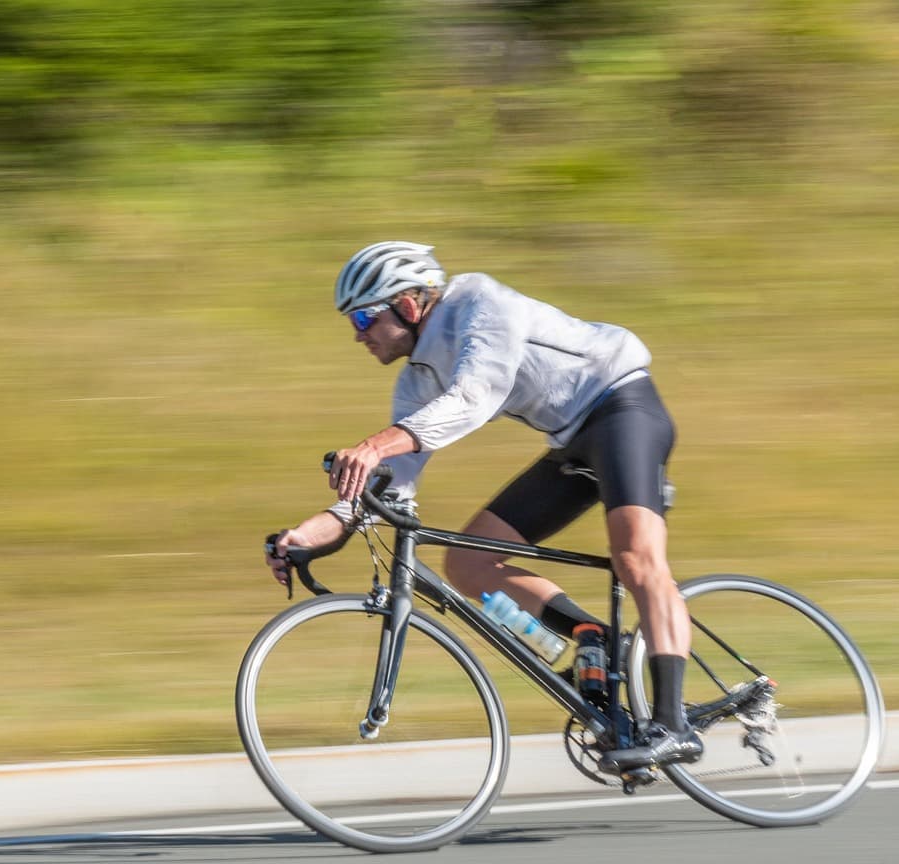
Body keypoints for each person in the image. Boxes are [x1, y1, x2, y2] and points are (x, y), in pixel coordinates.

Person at [264, 240, 702, 772]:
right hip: (572, 442)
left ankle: (674, 725)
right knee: (467, 564)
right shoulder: (417, 379)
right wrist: (308, 535)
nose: (356, 333)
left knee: (635, 558)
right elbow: (391, 489)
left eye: (363, 316)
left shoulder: (480, 304)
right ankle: (595, 636)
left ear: (406, 304)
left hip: (623, 410)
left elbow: (475, 396)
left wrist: (376, 444)